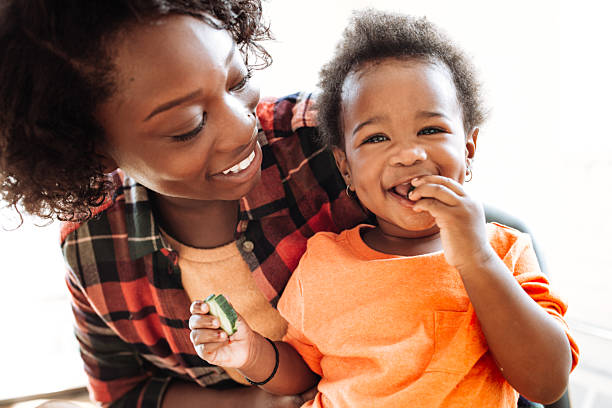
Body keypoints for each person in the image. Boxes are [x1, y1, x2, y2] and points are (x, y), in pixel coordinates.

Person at [0, 1, 567, 407]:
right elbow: (126, 393)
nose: (242, 125)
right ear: (91, 149)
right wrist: (256, 385)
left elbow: (488, 239)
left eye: (238, 78)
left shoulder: (328, 134)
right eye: (188, 125)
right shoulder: (95, 248)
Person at [188, 10, 579, 408]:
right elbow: (305, 372)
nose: (408, 154)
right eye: (376, 137)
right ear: (346, 169)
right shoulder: (323, 260)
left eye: (430, 130)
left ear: (468, 149)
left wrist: (477, 259)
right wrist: (250, 353)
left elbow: (546, 384)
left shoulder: (503, 251)